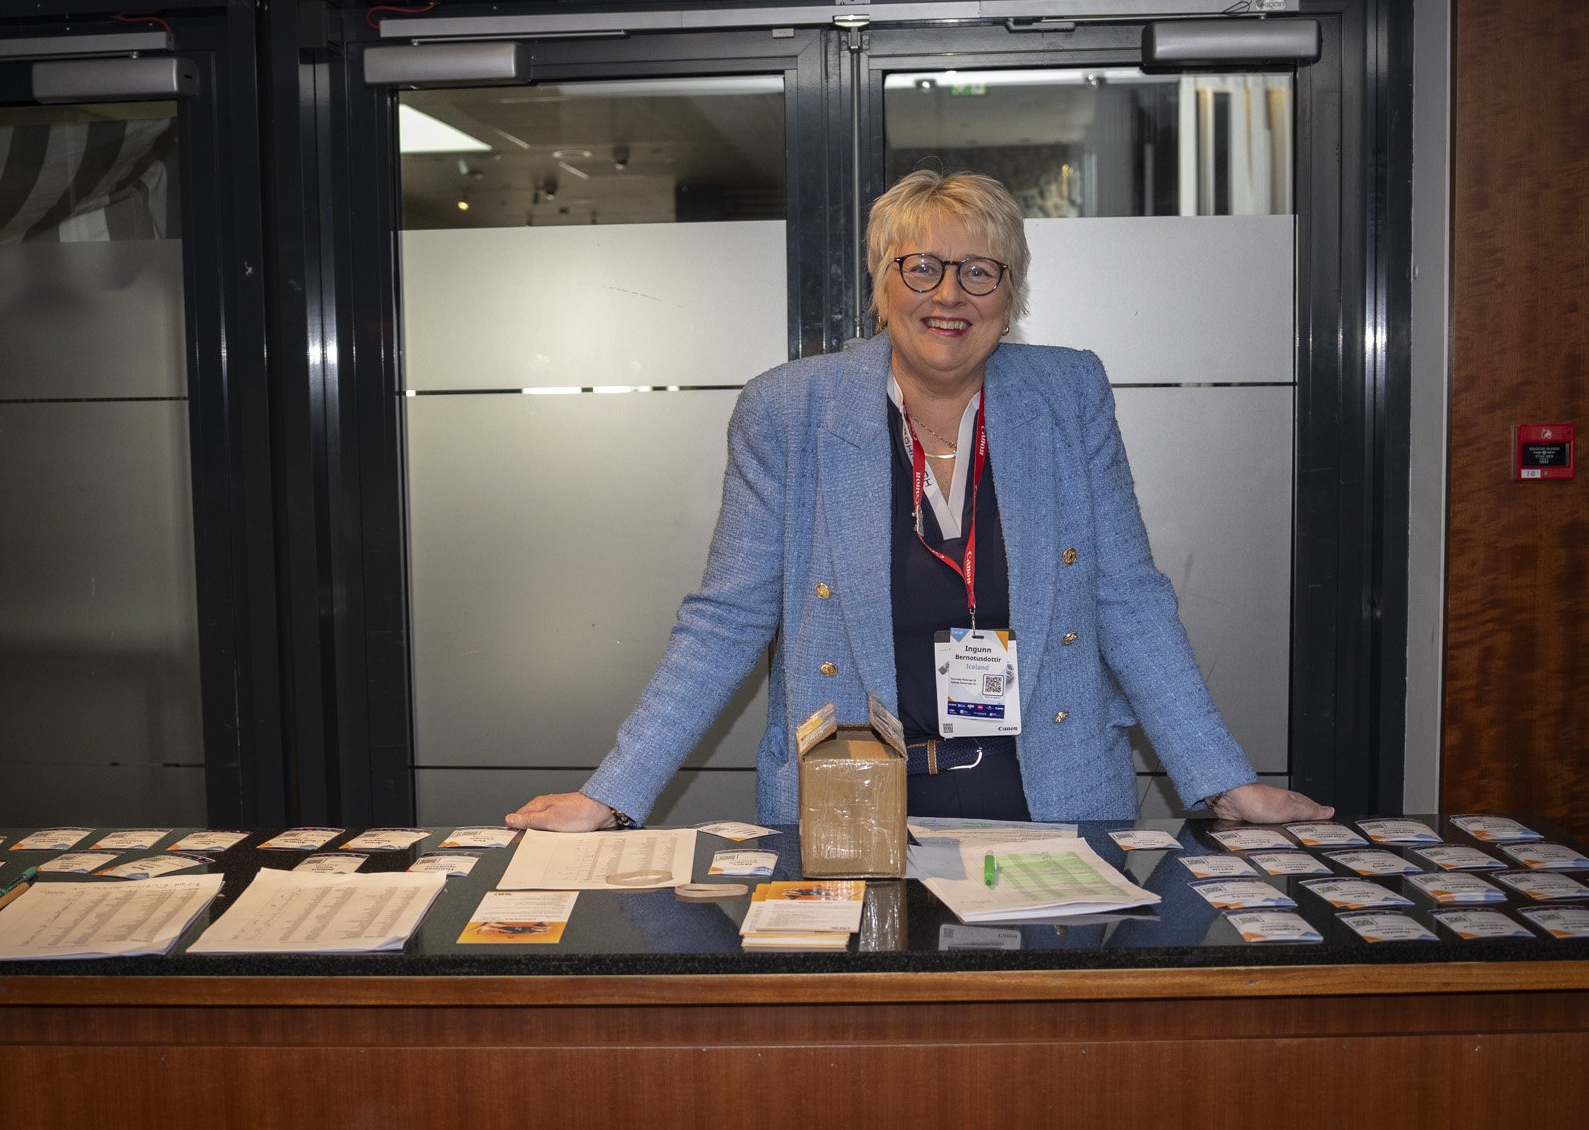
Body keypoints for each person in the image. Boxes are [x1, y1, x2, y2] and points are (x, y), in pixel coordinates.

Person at [507, 170, 1329, 832]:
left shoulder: (1069, 392)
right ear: (883, 281)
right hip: (852, 803)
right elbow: (727, 617)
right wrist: (612, 793)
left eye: (980, 271)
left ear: (1009, 294)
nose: (950, 294)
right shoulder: (790, 409)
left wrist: (1223, 780)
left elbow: (1128, 598)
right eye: (922, 267)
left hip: (1052, 794)